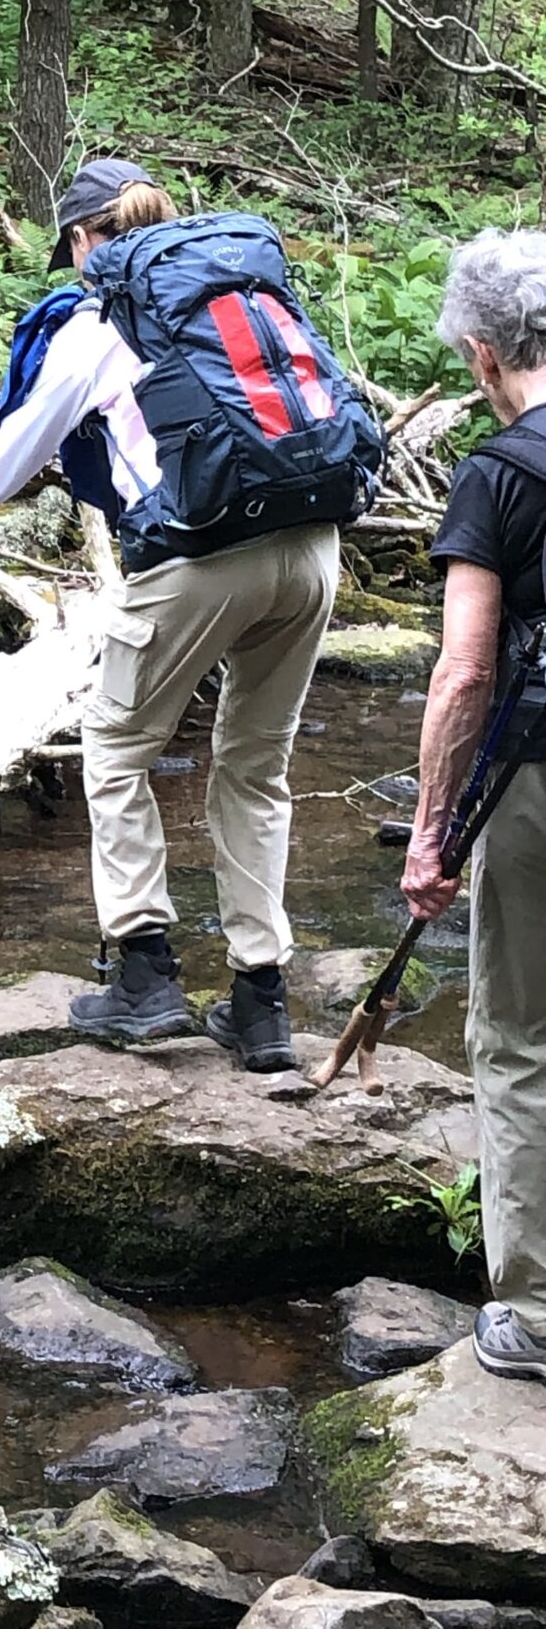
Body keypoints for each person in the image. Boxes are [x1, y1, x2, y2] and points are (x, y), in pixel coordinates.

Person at [0, 157, 380, 1070]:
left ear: (84, 239)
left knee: (117, 749)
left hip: (199, 558)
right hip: (314, 545)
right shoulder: (240, 298)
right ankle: (262, 1002)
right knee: (253, 769)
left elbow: (12, 457)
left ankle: (147, 979)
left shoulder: (99, 323)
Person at [403, 229, 546, 1381]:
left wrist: (431, 829)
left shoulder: (501, 472)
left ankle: (535, 1310)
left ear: (491, 354)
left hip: (536, 777)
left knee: (520, 1038)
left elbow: (463, 672)